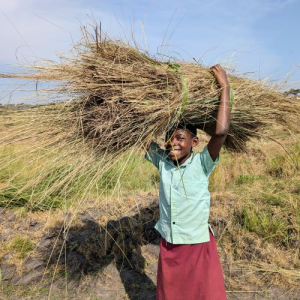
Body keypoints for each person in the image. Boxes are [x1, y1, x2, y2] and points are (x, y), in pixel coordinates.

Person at [145, 64, 230, 300]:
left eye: (180, 138)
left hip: (196, 245)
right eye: (169, 138)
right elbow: (140, 136)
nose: (173, 143)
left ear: (194, 142)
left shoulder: (202, 163)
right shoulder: (162, 161)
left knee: (203, 294)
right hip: (170, 244)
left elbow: (221, 133)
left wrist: (224, 87)